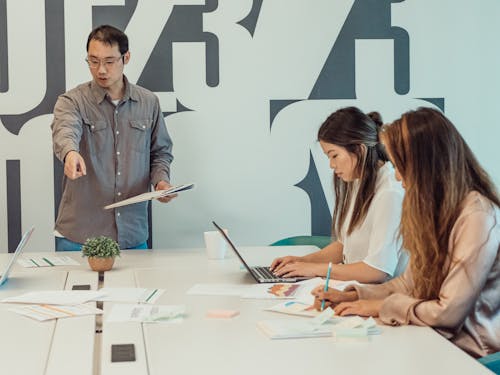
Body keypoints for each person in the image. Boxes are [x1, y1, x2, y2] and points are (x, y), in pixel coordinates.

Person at [312, 107, 499, 358]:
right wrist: (356, 296)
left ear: (426, 164)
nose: (397, 175)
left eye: (401, 165)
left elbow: (447, 313)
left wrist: (380, 307)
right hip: (435, 343)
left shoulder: (478, 216)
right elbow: (411, 282)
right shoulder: (439, 208)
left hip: (471, 356)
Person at [51, 25, 175, 251]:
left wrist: (161, 181)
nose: (101, 70)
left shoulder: (149, 102)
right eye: (93, 61)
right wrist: (70, 153)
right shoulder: (72, 101)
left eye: (109, 61)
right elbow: (65, 130)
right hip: (79, 237)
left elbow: (160, 153)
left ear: (125, 57)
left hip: (131, 236)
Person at [270, 107, 407, 283]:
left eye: (334, 156)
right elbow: (344, 247)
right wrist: (301, 262)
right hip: (354, 291)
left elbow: (377, 271)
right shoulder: (359, 182)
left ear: (360, 150)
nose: (331, 165)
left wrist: (314, 269)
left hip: (380, 299)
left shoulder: (390, 194)